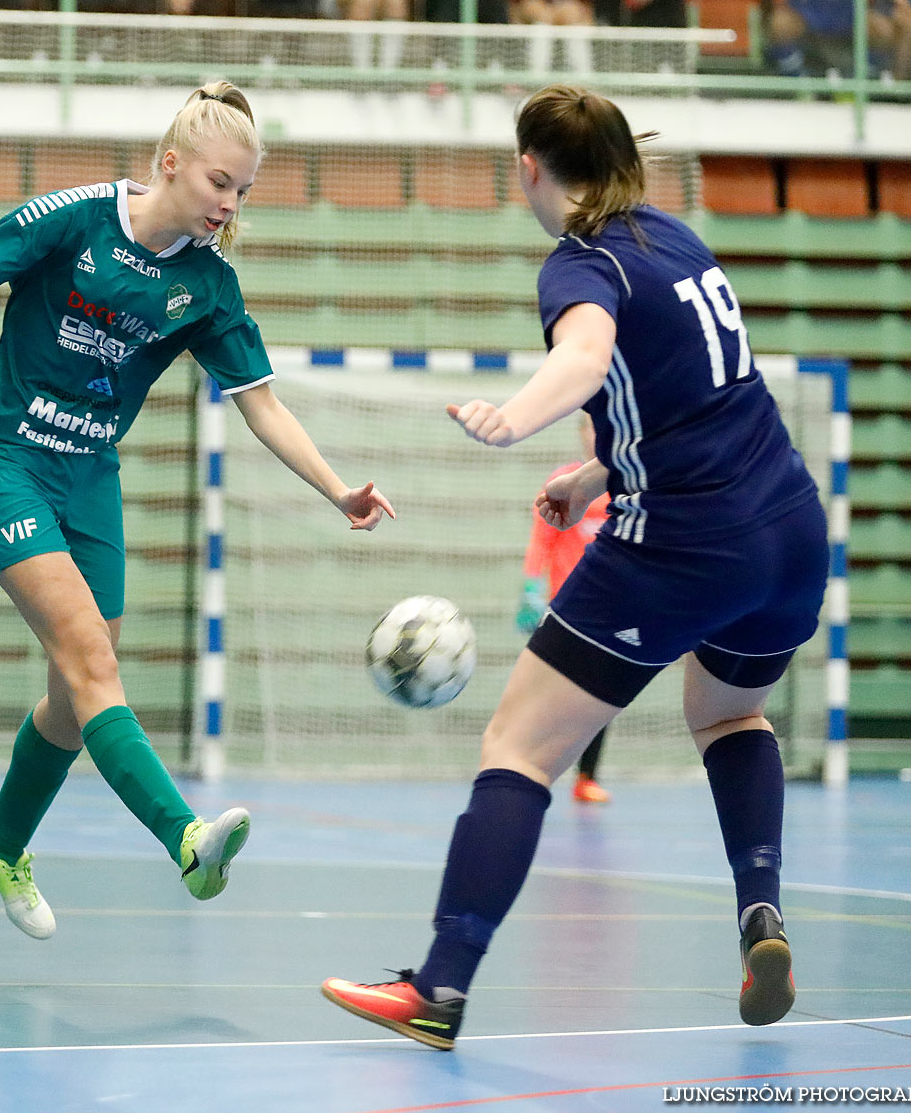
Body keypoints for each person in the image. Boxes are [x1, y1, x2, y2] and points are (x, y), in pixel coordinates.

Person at [0, 83, 396, 938]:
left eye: (244, 191)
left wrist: (336, 489)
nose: (229, 204)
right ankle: (186, 837)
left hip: (90, 479)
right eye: (221, 182)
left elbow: (261, 402)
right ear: (171, 164)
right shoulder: (74, 219)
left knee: (75, 693)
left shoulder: (209, 287)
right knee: (89, 660)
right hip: (5, 458)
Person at [322, 84, 826, 1048]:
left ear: (529, 167)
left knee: (519, 750)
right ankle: (760, 912)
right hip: (791, 532)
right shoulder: (672, 238)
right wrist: (598, 474)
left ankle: (439, 987)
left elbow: (588, 357)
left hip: (685, 543)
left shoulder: (580, 264)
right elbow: (701, 392)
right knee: (728, 712)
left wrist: (514, 417)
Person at [517, 412, 613, 803]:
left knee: (602, 696)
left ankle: (586, 777)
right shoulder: (565, 483)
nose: (600, 434)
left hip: (613, 609)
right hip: (568, 607)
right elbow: (542, 540)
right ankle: (526, 766)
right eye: (593, 426)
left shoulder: (630, 488)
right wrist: (530, 588)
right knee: (554, 696)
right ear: (582, 434)